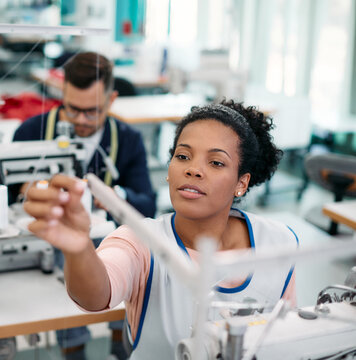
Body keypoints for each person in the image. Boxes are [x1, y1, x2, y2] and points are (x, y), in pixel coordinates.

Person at [23, 100, 298, 359]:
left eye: (215, 162)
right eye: (183, 156)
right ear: (169, 169)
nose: (193, 169)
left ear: (242, 182)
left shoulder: (278, 242)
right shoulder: (139, 240)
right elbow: (96, 296)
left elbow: (286, 339)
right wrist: (80, 248)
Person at [12, 52, 157, 359]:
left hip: (107, 238)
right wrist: (29, 193)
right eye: (72, 109)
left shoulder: (127, 139)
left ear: (112, 99)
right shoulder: (30, 132)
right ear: (61, 94)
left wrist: (109, 194)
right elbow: (9, 195)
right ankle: (73, 349)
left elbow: (147, 204)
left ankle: (123, 342)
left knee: (130, 260)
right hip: (52, 246)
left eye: (91, 112)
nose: (80, 121)